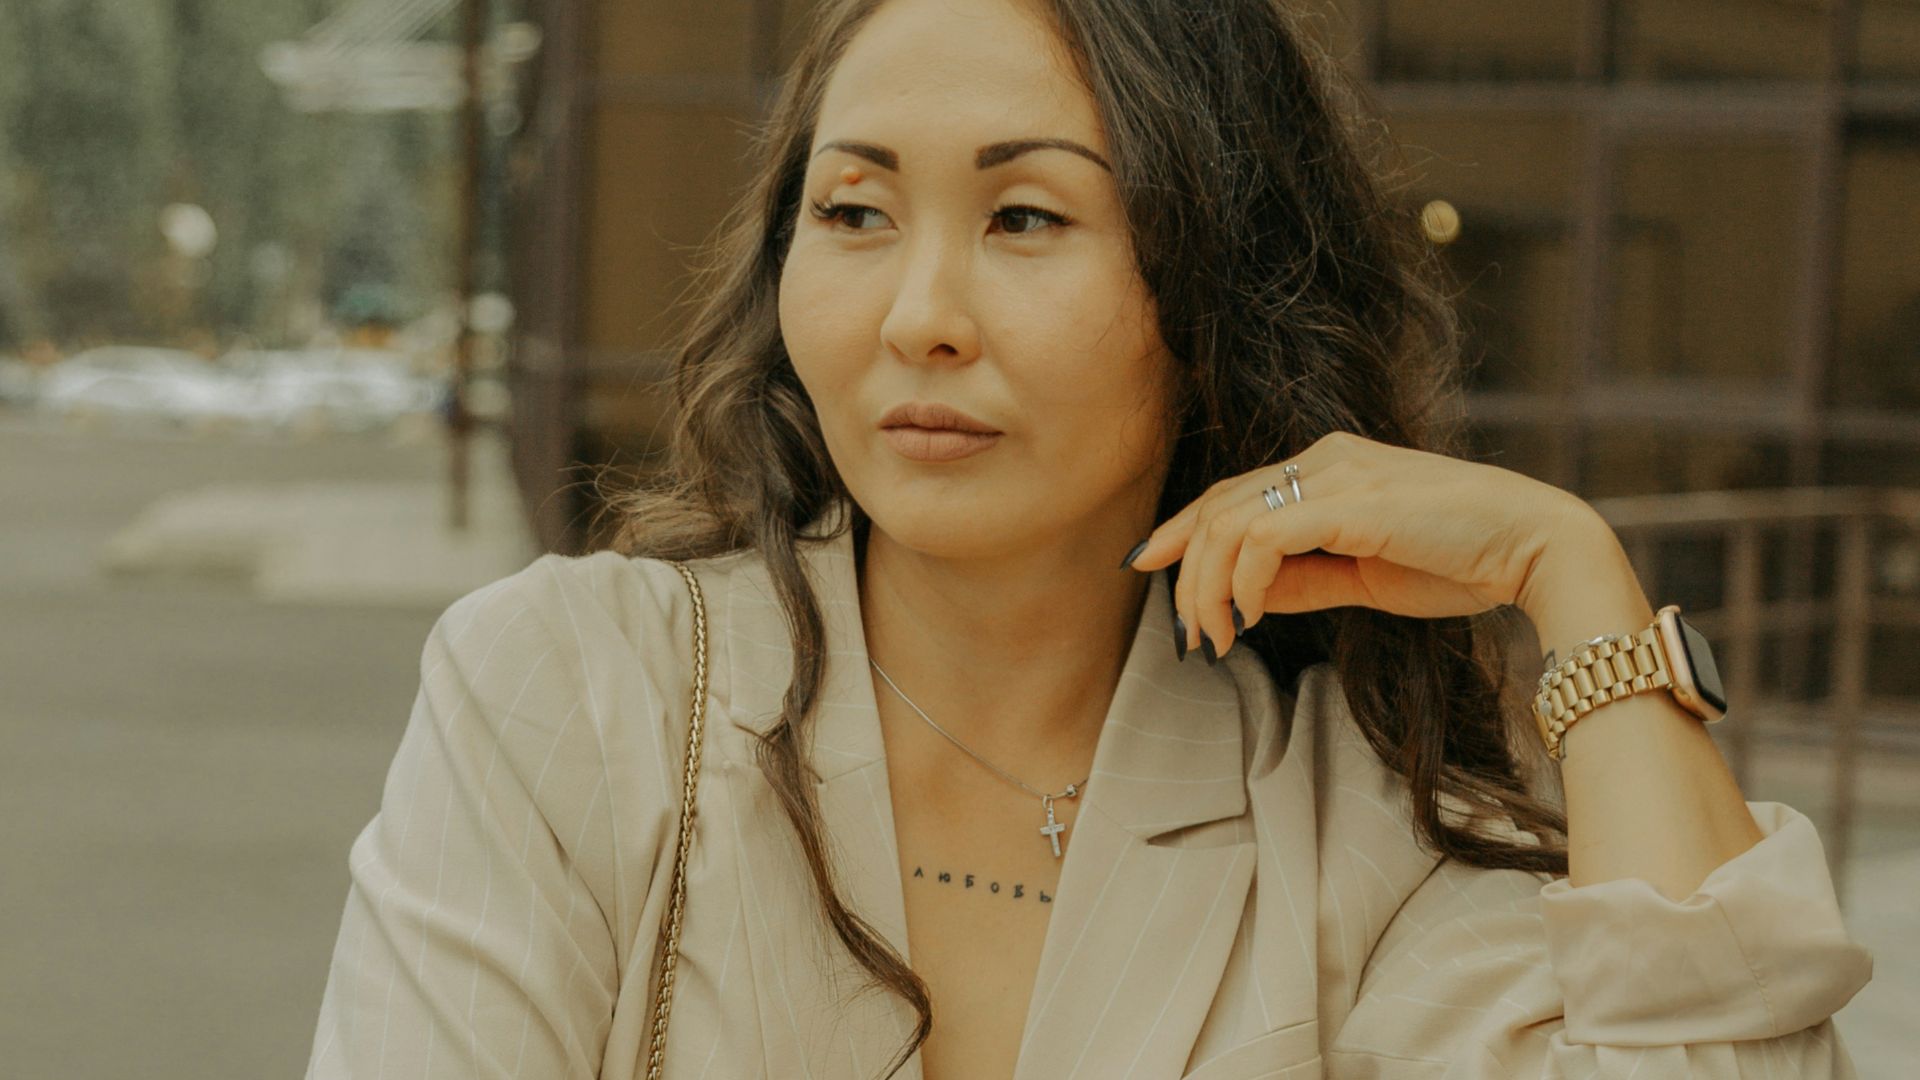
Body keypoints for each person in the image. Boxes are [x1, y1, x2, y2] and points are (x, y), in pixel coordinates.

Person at [302, 0, 1873, 1076]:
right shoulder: (573, 693)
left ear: (1209, 294)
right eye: (853, 212)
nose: (919, 317)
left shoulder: (1351, 836)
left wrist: (1573, 579)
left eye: (1025, 217)